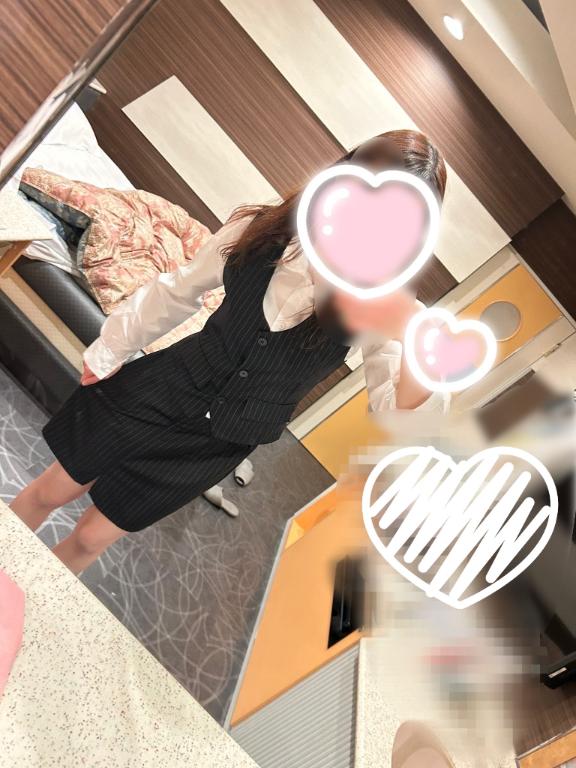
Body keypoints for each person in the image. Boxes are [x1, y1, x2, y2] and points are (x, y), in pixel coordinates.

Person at [10, 129, 447, 574]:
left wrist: (418, 351)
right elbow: (179, 289)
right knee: (51, 491)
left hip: (217, 441)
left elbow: (398, 417)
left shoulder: (390, 306)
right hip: (166, 385)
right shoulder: (265, 229)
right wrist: (111, 347)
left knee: (91, 537)